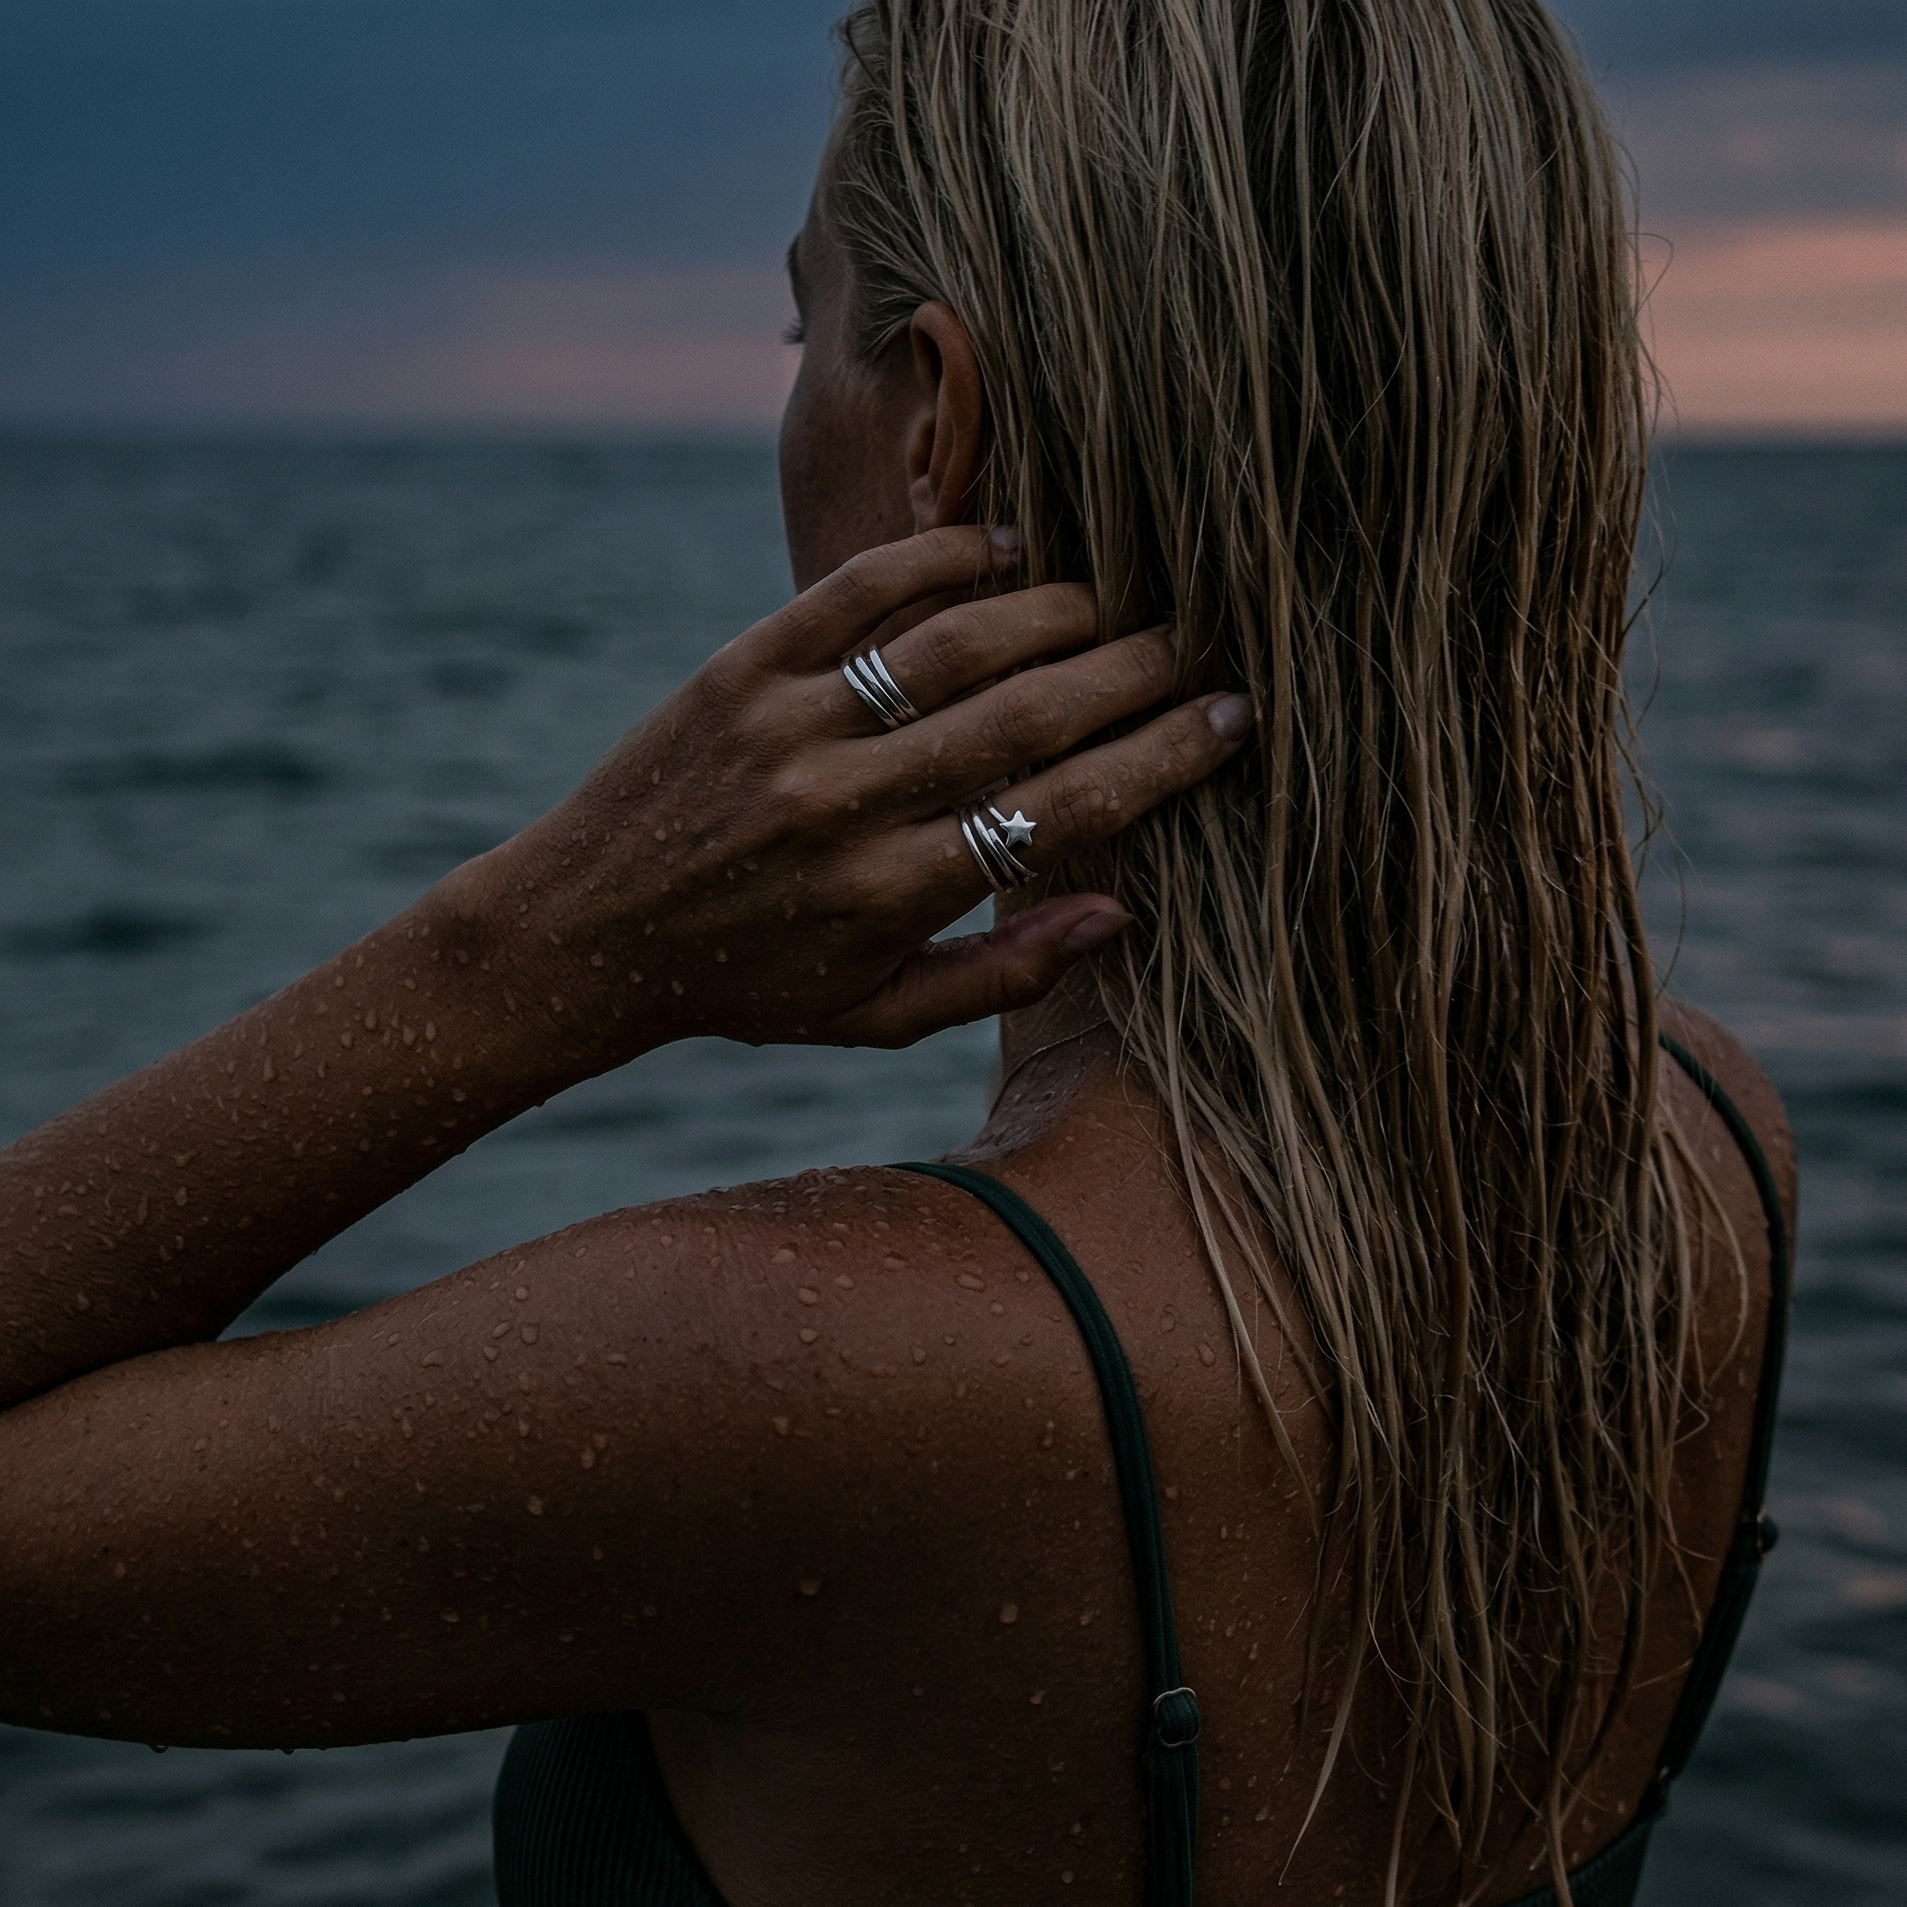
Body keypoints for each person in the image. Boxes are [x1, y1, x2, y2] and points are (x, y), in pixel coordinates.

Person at [0, 1, 1796, 1904]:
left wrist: (535, 950)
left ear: (941, 418)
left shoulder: (800, 1375)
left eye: (805, 332)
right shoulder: (1698, 1144)